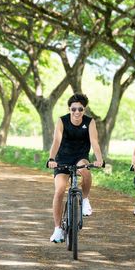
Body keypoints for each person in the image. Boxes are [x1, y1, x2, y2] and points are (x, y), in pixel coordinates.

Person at [47, 93, 103, 243]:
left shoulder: (89, 122)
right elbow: (56, 141)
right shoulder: (62, 121)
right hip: (62, 158)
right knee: (59, 190)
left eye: (80, 109)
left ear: (84, 109)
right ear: (69, 109)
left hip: (80, 157)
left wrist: (99, 159)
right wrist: (51, 159)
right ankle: (58, 229)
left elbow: (95, 142)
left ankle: (84, 200)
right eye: (74, 109)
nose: (77, 112)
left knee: (85, 170)